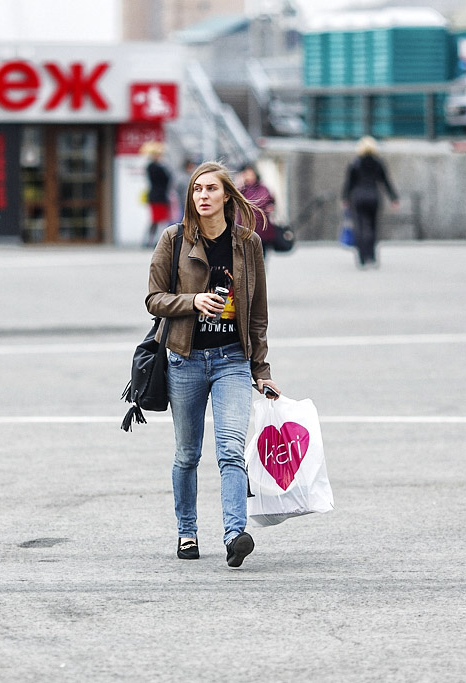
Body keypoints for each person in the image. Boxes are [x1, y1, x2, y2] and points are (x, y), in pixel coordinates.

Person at [145, 160, 281, 568]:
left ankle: (234, 534)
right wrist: (192, 302)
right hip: (185, 360)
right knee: (187, 454)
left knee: (230, 451)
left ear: (226, 195)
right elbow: (154, 298)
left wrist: (262, 370)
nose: (202, 196)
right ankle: (187, 531)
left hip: (232, 362)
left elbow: (257, 313)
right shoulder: (174, 239)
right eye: (196, 190)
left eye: (210, 189)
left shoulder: (247, 243)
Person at [342, 136, 399, 268]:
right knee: (372, 227)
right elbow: (385, 182)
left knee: (359, 227)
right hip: (373, 196)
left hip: (358, 196)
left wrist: (345, 199)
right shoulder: (379, 162)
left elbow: (349, 184)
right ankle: (371, 257)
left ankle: (362, 258)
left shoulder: (355, 163)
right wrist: (394, 198)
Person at [237, 163, 277, 258]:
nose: (248, 177)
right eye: (245, 174)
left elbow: (266, 201)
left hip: (262, 230)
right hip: (245, 229)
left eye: (250, 174)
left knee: (261, 258)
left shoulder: (263, 189)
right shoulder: (240, 190)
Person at [142, 141, 172, 248]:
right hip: (158, 197)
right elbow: (167, 178)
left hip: (158, 196)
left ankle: (152, 240)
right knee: (156, 220)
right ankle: (151, 240)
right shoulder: (154, 167)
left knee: (157, 220)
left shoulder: (152, 167)